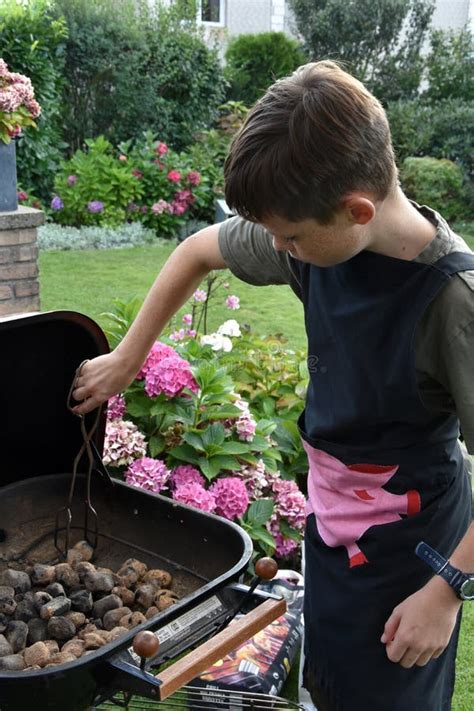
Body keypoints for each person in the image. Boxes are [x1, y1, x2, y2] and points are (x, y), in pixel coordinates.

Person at [72, 61, 474, 710]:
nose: (276, 248)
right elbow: (197, 251)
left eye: (288, 236)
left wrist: (448, 589)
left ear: (356, 210)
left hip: (415, 558)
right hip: (336, 529)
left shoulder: (454, 303)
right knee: (329, 677)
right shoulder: (322, 239)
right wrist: (126, 356)